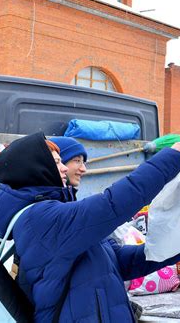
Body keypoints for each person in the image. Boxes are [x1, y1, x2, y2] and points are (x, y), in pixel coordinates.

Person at [0, 132, 180, 322]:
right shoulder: (39, 219)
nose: (65, 167)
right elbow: (112, 205)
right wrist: (172, 158)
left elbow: (121, 263)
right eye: (57, 162)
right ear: (36, 168)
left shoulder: (61, 215)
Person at [50, 136, 143, 321]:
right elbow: (114, 203)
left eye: (83, 161)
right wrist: (172, 159)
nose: (83, 168)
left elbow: (116, 260)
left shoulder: (73, 208)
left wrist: (174, 250)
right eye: (76, 161)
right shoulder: (57, 218)